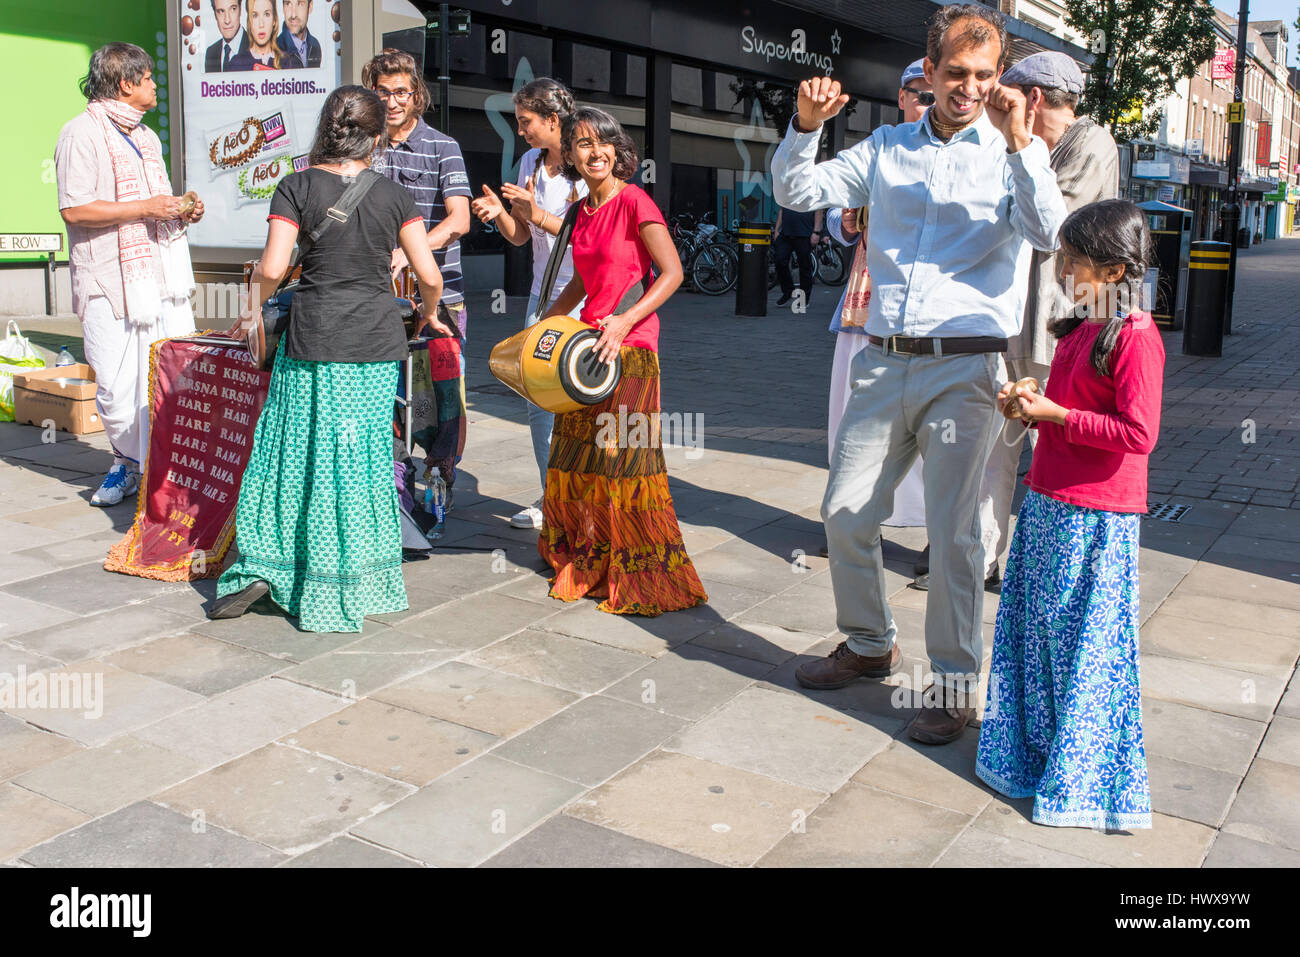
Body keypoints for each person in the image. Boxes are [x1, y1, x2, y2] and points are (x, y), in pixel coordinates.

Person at [772, 3, 1066, 744]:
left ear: (1001, 80)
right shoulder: (886, 147)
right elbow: (795, 193)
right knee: (844, 510)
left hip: (965, 369)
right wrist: (804, 128)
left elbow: (1047, 232)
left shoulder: (1011, 152)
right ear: (927, 74)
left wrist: (1023, 145)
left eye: (984, 75)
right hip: (882, 359)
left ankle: (956, 682)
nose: (969, 88)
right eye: (955, 73)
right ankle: (870, 642)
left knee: (957, 535)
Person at [210, 85, 449, 632]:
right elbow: (429, 276)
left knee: (295, 453)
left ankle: (277, 565)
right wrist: (428, 311)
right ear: (377, 135)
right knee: (358, 459)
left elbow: (272, 268)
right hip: (373, 342)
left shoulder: (294, 186)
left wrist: (254, 306)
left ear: (327, 128)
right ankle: (353, 575)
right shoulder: (394, 195)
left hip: (314, 339)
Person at [977, 199, 1162, 829]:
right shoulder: (1082, 328)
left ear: (1113, 271)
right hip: (1050, 500)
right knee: (1041, 637)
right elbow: (1070, 410)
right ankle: (1037, 759)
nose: (1063, 272)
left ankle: (1082, 783)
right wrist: (1028, 405)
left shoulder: (1135, 336)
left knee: (1084, 646)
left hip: (1096, 513)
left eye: (1075, 262)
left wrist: (1056, 416)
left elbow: (1138, 434)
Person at [538, 107, 707, 615]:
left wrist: (623, 320)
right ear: (568, 154)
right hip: (585, 351)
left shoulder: (634, 200)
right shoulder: (579, 210)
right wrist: (545, 326)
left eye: (603, 142)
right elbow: (583, 281)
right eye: (582, 144)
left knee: (625, 463)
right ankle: (594, 556)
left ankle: (639, 569)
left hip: (630, 351)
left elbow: (672, 273)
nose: (594, 153)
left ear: (618, 149)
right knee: (577, 460)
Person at [976, 51, 1120, 584]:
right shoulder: (1020, 144)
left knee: (1048, 444)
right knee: (997, 443)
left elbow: (1053, 219)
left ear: (1033, 98)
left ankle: (1048, 566)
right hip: (1012, 318)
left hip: (1058, 322)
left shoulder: (1090, 142)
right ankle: (983, 558)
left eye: (1007, 99)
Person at [55, 43, 203, 507]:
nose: (156, 85)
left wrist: (180, 211)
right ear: (126, 83)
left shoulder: (145, 137)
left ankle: (152, 469)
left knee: (163, 378)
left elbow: (151, 206)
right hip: (109, 282)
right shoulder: (81, 133)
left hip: (156, 280)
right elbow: (74, 208)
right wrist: (147, 207)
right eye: (150, 78)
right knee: (119, 391)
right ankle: (126, 460)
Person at [823, 59, 931, 566]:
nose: (928, 104)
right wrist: (846, 217)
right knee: (851, 418)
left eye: (935, 95)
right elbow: (830, 208)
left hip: (931, 316)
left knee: (932, 429)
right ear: (902, 97)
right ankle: (848, 521)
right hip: (866, 304)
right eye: (919, 95)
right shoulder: (880, 148)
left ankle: (938, 535)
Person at [470, 78, 588, 530]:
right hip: (542, 301)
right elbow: (521, 237)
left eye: (526, 122)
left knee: (580, 404)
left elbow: (589, 237)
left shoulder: (588, 163)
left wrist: (534, 210)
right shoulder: (528, 164)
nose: (521, 131)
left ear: (553, 120)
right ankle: (552, 495)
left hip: (586, 301)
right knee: (539, 402)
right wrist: (500, 211)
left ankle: (582, 498)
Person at [363, 49, 473, 477]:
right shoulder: (364, 148)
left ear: (417, 94)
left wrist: (411, 251)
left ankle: (439, 482)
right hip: (376, 299)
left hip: (441, 298)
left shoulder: (442, 147)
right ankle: (392, 487)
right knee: (383, 396)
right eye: (382, 92)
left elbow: (459, 219)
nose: (392, 102)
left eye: (400, 92)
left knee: (443, 400)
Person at [227, 0, 302, 71]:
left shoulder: (290, 63)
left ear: (274, 20)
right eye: (255, 15)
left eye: (267, 14)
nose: (261, 24)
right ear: (249, 22)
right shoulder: (236, 64)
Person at [772, 203, 822, 307]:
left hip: (804, 233)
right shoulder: (788, 189)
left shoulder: (811, 189)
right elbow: (782, 209)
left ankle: (804, 299)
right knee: (779, 261)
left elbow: (818, 210)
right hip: (786, 233)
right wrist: (777, 230)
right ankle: (788, 291)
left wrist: (816, 232)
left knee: (805, 267)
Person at [204, 0, 249, 72]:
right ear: (215, 15)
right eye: (221, 11)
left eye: (233, 9)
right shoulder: (211, 53)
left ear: (240, 10)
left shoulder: (256, 48)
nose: (227, 20)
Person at [276, 0, 321, 69]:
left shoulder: (315, 45)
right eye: (288, 4)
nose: (293, 15)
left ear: (310, 7)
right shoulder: (275, 49)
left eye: (300, 4)